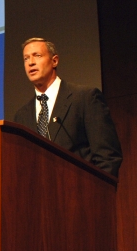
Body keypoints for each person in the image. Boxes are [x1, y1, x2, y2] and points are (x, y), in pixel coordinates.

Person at [14, 37, 122, 177]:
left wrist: (94, 194)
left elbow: (108, 156)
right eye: (26, 59)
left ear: (55, 61)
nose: (31, 63)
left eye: (37, 56)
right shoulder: (22, 115)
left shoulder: (85, 98)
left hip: (81, 193)